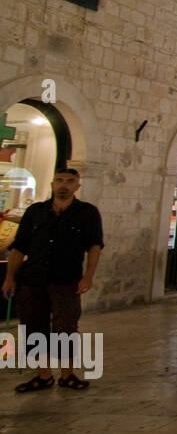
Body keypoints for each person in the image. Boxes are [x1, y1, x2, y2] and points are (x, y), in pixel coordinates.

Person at [4, 167, 103, 392]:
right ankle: (44, 375)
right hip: (32, 279)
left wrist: (88, 276)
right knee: (33, 326)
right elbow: (20, 247)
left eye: (69, 181)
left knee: (65, 327)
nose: (63, 185)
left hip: (66, 280)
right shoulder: (35, 212)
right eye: (59, 180)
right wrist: (10, 277)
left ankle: (67, 375)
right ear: (52, 184)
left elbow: (95, 246)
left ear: (77, 186)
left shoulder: (87, 213)